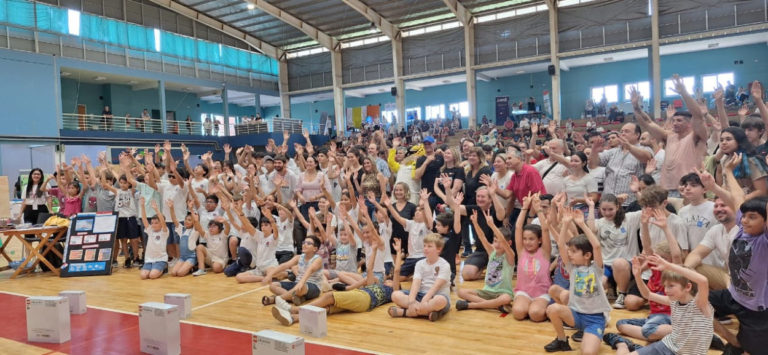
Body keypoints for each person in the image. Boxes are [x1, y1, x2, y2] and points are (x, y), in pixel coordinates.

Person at [696, 156, 768, 355]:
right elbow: (738, 199)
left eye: (752, 217)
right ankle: (732, 339)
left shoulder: (764, 241)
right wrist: (726, 174)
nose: (744, 220)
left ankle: (740, 344)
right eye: (744, 216)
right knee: (694, 301)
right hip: (733, 295)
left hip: (756, 311)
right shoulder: (743, 228)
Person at [271, 236, 405, 326]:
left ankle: (294, 309)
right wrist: (374, 250)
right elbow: (369, 269)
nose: (389, 281)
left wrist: (398, 252)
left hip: (365, 298)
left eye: (392, 281)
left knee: (329, 296)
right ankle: (294, 318)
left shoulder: (393, 290)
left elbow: (397, 271)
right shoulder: (376, 284)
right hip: (361, 298)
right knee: (327, 309)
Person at [604, 254, 713, 355]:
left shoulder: (700, 304)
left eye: (671, 286)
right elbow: (647, 294)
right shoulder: (673, 302)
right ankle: (621, 343)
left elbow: (703, 281)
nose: (666, 290)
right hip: (667, 346)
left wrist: (669, 266)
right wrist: (637, 275)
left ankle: (635, 347)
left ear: (688, 287)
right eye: (665, 286)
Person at [544, 208, 611, 354]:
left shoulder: (596, 269)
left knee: (587, 353)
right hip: (576, 315)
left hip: (595, 319)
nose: (570, 254)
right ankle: (562, 340)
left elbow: (597, 246)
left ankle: (593, 334)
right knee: (552, 309)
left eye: (574, 251)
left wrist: (582, 224)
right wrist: (566, 224)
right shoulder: (572, 268)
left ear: (587, 255)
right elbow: (561, 245)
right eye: (570, 251)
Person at [631, 78, 708, 198]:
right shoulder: (669, 136)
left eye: (679, 120)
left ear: (689, 124)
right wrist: (636, 107)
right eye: (673, 120)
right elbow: (647, 122)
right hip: (666, 189)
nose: (675, 123)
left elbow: (698, 116)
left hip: (687, 188)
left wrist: (683, 93)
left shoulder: (697, 136)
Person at [388, 233, 452, 321]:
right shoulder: (419, 264)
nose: (425, 248)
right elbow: (416, 284)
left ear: (438, 249)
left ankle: (406, 313)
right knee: (395, 295)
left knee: (440, 301)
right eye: (424, 246)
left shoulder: (444, 265)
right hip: (420, 295)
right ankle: (428, 312)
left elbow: (435, 287)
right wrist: (411, 302)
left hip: (436, 295)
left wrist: (424, 301)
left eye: (429, 246)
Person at [588, 123, 653, 207]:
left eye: (626, 131)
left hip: (630, 203)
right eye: (621, 131)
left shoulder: (645, 149)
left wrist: (629, 146)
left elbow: (646, 158)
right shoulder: (613, 151)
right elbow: (593, 164)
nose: (622, 134)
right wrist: (594, 150)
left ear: (637, 135)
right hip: (608, 203)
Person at [509, 194, 552, 320]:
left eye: (531, 239)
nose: (527, 242)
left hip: (541, 293)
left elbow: (545, 229)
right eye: (525, 239)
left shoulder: (544, 252)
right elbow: (517, 228)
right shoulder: (521, 251)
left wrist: (538, 209)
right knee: (518, 313)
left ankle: (541, 307)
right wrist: (524, 207)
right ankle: (524, 304)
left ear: (539, 240)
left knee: (536, 315)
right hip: (524, 291)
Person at [683, 196, 736, 291]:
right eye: (716, 206)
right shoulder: (716, 230)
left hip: (749, 281)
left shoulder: (745, 229)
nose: (719, 209)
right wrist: (686, 270)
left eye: (723, 205)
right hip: (728, 275)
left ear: (735, 206)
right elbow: (697, 254)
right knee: (691, 268)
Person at [262, 235, 324, 307]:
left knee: (299, 288)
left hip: (313, 287)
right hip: (297, 284)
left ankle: (275, 299)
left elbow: (310, 270)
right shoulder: (299, 257)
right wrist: (269, 275)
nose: (305, 245)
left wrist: (301, 283)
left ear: (315, 249)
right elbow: (285, 265)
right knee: (273, 285)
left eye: (309, 243)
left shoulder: (318, 259)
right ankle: (294, 298)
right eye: (304, 242)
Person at [383, 189, 432, 280]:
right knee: (396, 278)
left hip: (423, 258)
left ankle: (415, 273)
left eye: (420, 211)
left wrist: (424, 204)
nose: (417, 212)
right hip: (410, 258)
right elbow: (398, 217)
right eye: (416, 210)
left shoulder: (426, 225)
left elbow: (429, 219)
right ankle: (411, 272)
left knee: (420, 278)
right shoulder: (411, 223)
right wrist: (389, 206)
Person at [139, 198, 169, 280]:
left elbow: (163, 221)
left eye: (156, 223)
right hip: (149, 259)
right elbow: (144, 219)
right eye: (152, 223)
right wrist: (142, 206)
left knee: (152, 276)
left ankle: (164, 266)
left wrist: (156, 210)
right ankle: (152, 268)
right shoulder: (150, 230)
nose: (153, 225)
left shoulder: (164, 231)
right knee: (143, 276)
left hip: (160, 259)